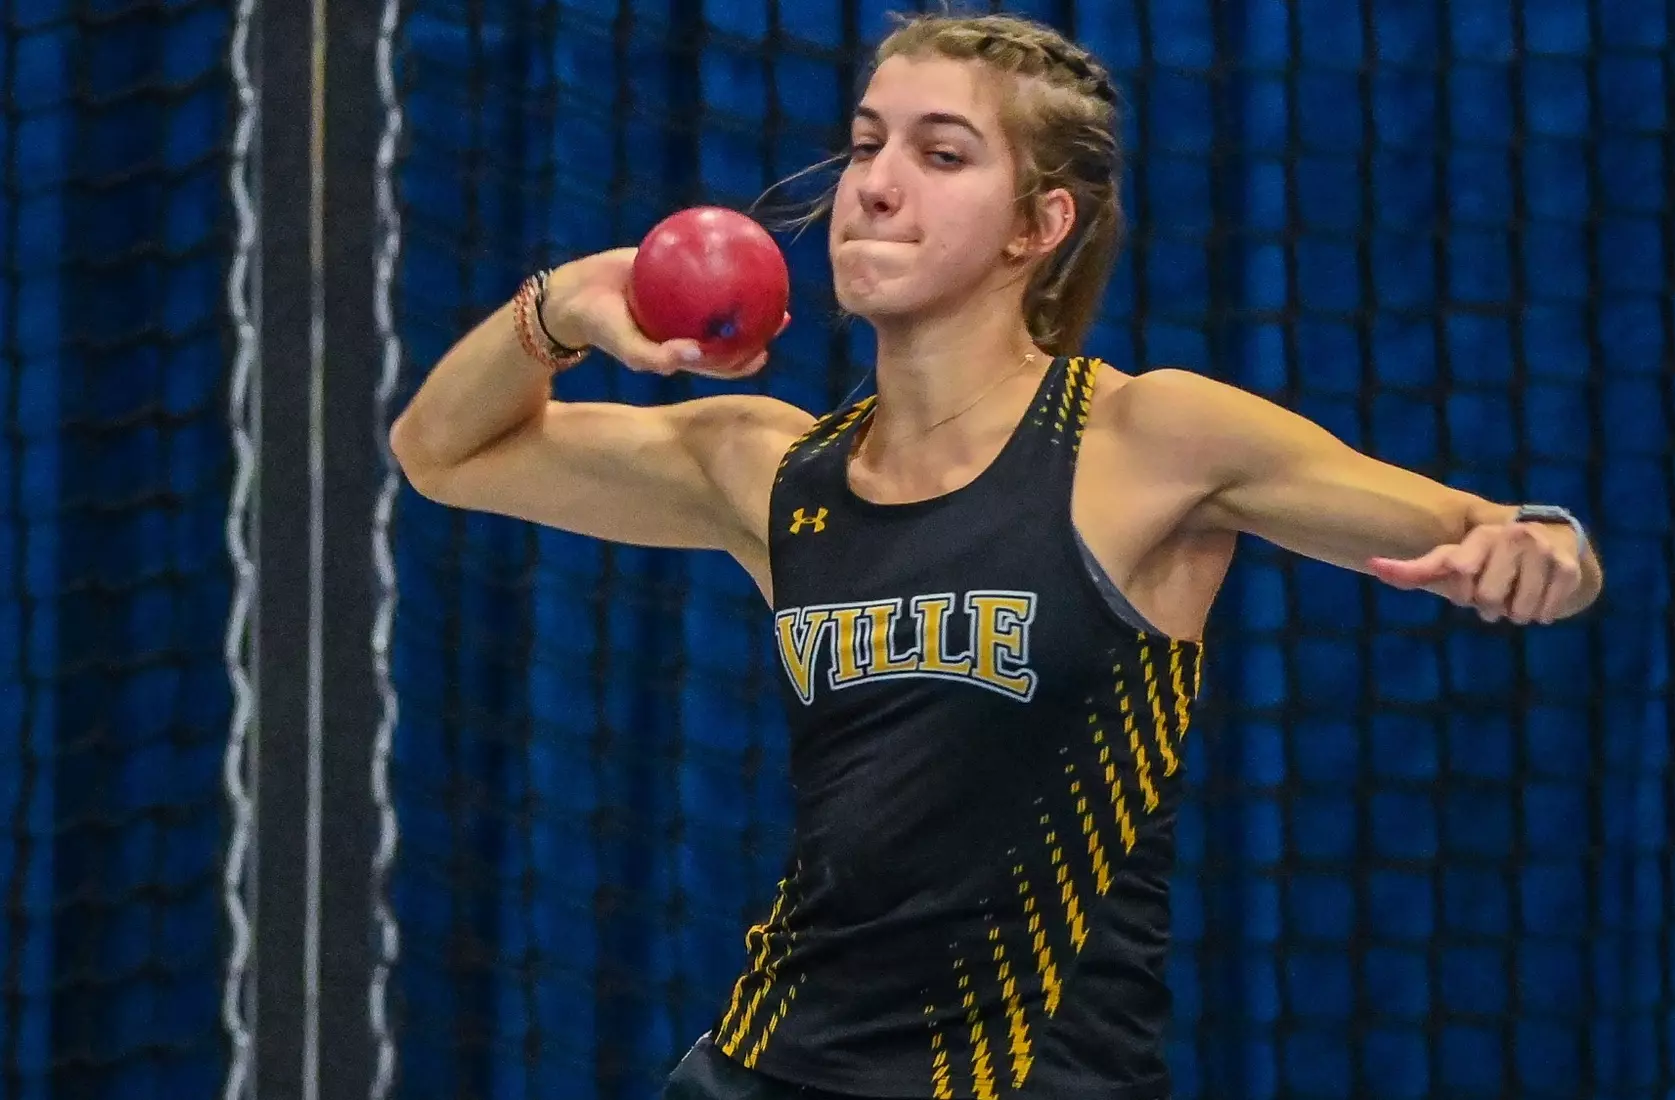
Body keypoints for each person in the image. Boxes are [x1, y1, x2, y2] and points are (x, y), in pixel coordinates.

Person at [389, 11, 1603, 1100]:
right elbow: (444, 452)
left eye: (941, 153)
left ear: (1040, 223)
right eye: (867, 143)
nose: (875, 184)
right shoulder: (771, 467)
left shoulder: (1146, 438)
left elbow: (1485, 525)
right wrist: (562, 306)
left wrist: (1542, 546)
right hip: (766, 1068)